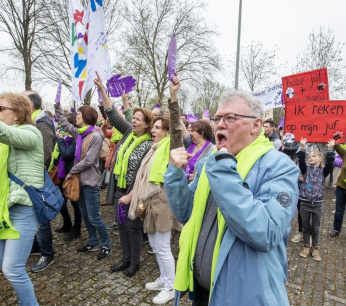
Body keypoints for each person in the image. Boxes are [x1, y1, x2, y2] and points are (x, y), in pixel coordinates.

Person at [164, 89, 299, 305]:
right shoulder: (214, 162)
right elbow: (184, 212)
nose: (219, 125)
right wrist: (174, 174)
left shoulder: (279, 167)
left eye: (230, 118)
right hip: (202, 292)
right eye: (218, 118)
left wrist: (223, 168)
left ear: (256, 126)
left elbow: (266, 231)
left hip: (242, 297)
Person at [94, 72, 153, 277]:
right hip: (119, 190)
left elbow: (144, 176)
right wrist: (102, 89)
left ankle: (135, 263)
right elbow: (112, 113)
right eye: (133, 118)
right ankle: (125, 259)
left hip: (134, 194)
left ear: (147, 124)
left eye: (138, 119)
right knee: (121, 226)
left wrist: (131, 195)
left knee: (133, 228)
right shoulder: (127, 132)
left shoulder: (149, 145)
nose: (134, 121)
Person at [0, 93, 44, 305]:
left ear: (17, 114)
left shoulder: (31, 133)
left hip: (23, 209)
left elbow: (7, 134)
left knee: (13, 268)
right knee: (3, 263)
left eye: (1, 108)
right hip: (4, 209)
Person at [54, 101, 111, 261]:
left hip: (90, 182)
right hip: (80, 181)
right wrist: (57, 106)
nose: (76, 116)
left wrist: (71, 171)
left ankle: (106, 245)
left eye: (78, 114)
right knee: (85, 215)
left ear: (86, 117)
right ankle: (93, 242)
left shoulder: (96, 136)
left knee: (94, 217)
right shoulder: (80, 133)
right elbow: (64, 123)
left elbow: (89, 160)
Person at [127, 116, 175, 304]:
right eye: (153, 127)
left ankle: (170, 287)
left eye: (157, 127)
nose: (153, 130)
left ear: (167, 132)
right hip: (151, 200)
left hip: (162, 201)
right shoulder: (154, 149)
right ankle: (163, 279)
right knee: (155, 245)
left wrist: (173, 97)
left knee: (163, 247)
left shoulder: (170, 145)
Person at [22, 91, 56, 273]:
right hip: (26, 178)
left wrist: (30, 172)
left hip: (35, 178)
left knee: (41, 217)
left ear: (31, 105)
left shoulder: (42, 124)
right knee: (31, 214)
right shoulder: (28, 123)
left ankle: (47, 253)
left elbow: (45, 153)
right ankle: (36, 247)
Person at [297, 138, 335, 261]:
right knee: (306, 226)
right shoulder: (305, 170)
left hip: (317, 204)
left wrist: (330, 150)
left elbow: (330, 163)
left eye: (313, 156)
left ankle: (315, 248)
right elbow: (301, 161)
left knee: (316, 227)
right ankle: (306, 247)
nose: (310, 158)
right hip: (305, 203)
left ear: (320, 159)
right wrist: (303, 148)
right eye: (309, 156)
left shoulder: (323, 172)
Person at [50, 113, 82, 241]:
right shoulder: (65, 136)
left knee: (75, 203)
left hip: (71, 174)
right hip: (62, 174)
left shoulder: (74, 137)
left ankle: (76, 228)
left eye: (63, 124)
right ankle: (67, 223)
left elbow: (67, 154)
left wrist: (60, 140)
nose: (61, 126)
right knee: (61, 201)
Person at [330, 143, 346, 238]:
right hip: (341, 187)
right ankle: (336, 229)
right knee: (339, 211)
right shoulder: (345, 153)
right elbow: (337, 146)